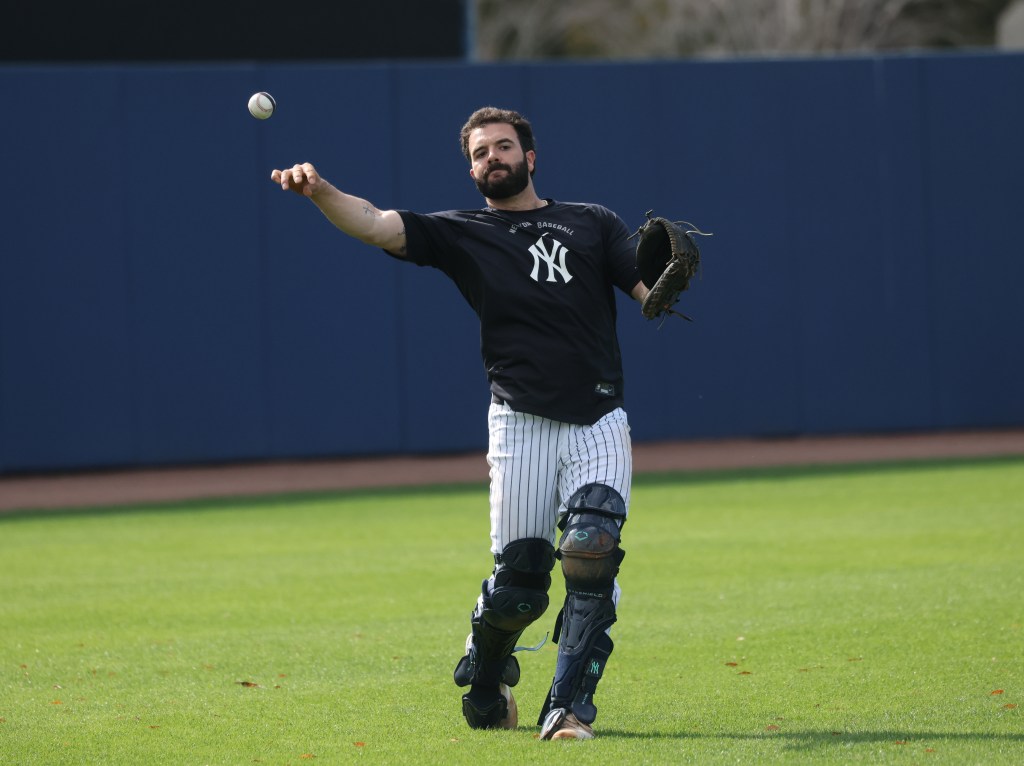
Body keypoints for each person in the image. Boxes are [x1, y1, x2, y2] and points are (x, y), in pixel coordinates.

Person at [271, 106, 649, 741]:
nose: (492, 158)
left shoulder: (593, 223)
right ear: (472, 168)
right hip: (520, 423)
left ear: (531, 158)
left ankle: (566, 710)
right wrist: (320, 192)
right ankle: (486, 669)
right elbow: (374, 224)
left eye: (504, 147)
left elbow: (649, 290)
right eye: (480, 153)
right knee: (521, 589)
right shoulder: (464, 232)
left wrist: (666, 281)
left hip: (598, 417)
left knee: (591, 551)